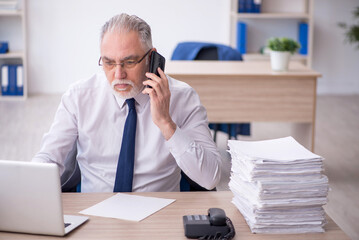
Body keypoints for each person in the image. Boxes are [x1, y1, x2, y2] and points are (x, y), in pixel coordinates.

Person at [32, 13, 221, 192]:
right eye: (109, 63)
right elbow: (49, 157)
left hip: (159, 214)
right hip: (96, 212)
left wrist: (166, 123)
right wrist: (29, 183)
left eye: (129, 62)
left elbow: (210, 178)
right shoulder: (79, 97)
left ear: (151, 57)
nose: (118, 74)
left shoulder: (183, 97)